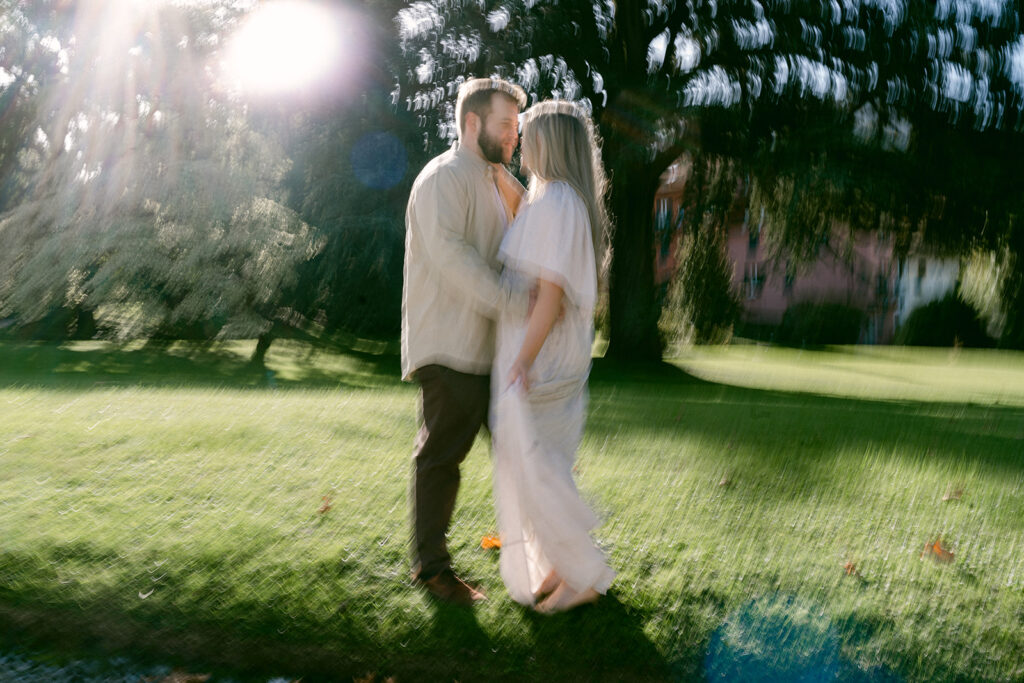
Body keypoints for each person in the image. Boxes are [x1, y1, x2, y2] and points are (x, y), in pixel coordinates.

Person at [401, 78, 530, 606]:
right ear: (471, 123)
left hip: (491, 351)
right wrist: (513, 302)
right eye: (505, 125)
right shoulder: (442, 178)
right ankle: (431, 571)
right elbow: (453, 259)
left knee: (523, 453)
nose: (514, 136)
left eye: (517, 127)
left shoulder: (495, 180)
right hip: (449, 347)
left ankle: (535, 556)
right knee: (441, 459)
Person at [490, 100, 616, 613]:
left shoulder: (561, 201)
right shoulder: (552, 200)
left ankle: (585, 572)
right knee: (537, 464)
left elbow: (551, 293)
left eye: (529, 135)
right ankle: (563, 568)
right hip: (536, 353)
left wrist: (522, 358)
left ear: (551, 144)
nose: (521, 143)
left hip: (542, 356)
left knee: (537, 466)